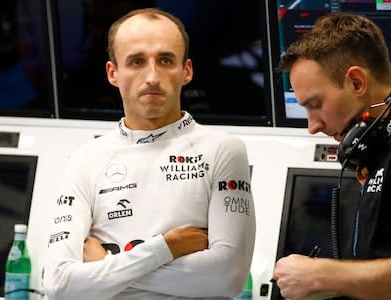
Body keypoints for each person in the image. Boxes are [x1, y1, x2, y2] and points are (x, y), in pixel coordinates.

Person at [43, 7, 255, 300]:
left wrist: (104, 266)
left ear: (187, 71)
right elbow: (58, 284)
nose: (152, 76)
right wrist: (167, 247)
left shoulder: (222, 150)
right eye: (137, 61)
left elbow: (227, 278)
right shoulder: (85, 159)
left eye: (166, 60)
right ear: (113, 73)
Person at [272, 13, 391, 300]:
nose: (312, 126)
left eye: (316, 104)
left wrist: (319, 274)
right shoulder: (380, 148)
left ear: (357, 82)